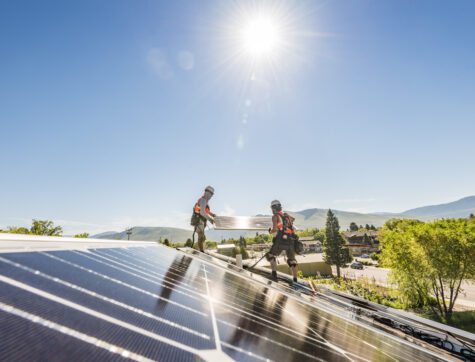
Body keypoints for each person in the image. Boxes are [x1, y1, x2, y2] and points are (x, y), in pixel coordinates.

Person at [266, 200, 299, 282]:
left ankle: (274, 274)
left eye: (272, 208)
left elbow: (275, 229)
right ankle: (295, 280)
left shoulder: (275, 216)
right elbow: (293, 219)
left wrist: (270, 231)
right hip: (291, 241)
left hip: (280, 241)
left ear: (273, 208)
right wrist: (287, 216)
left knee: (270, 255)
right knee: (292, 260)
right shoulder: (286, 215)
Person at [190, 186, 216, 252]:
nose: (211, 197)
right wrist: (211, 220)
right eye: (211, 194)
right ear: (207, 193)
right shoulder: (203, 200)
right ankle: (201, 251)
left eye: (211, 195)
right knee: (201, 237)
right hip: (199, 221)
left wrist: (212, 214)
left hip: (201, 221)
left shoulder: (204, 201)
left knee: (202, 237)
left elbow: (206, 211)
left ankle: (199, 249)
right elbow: (202, 212)